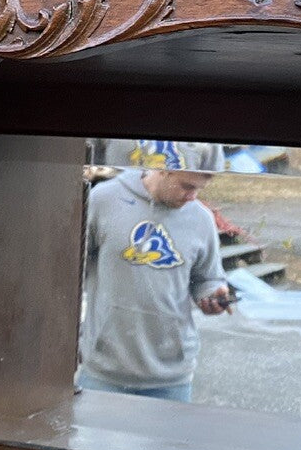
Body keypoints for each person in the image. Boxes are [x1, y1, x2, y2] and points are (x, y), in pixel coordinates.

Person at [78, 140, 232, 403]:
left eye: (200, 189)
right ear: (163, 169)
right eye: (187, 186)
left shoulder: (201, 220)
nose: (193, 196)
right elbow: (71, 271)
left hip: (171, 379)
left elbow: (207, 279)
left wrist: (213, 294)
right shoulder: (103, 200)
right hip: (103, 372)